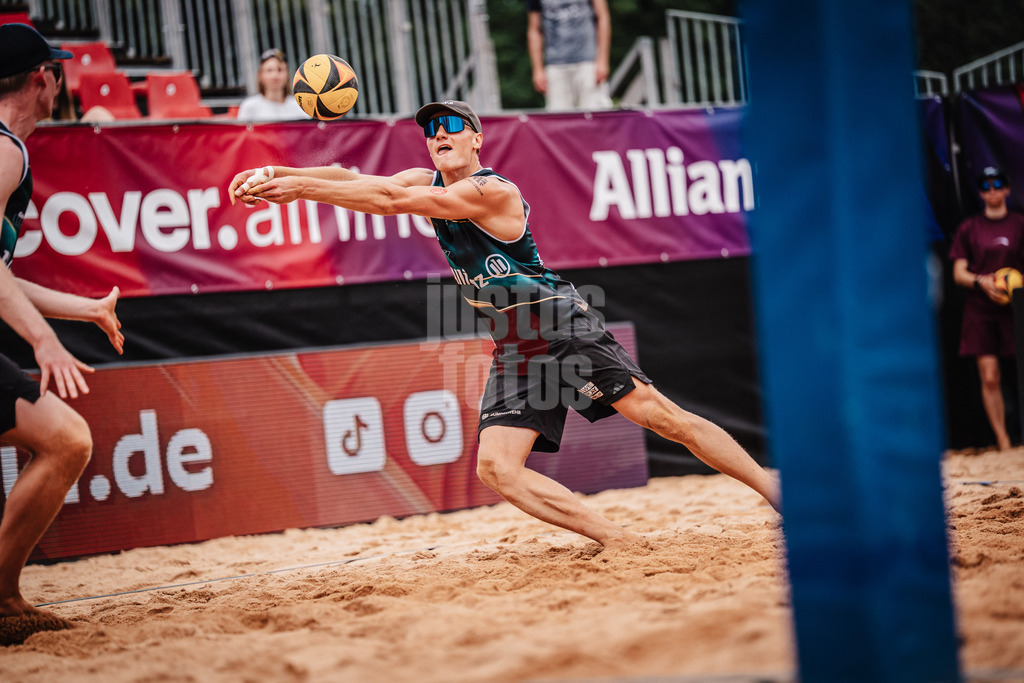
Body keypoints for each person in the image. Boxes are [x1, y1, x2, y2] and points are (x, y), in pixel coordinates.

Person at [227, 100, 779, 551]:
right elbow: (352, 177)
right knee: (497, 467)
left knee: (663, 419)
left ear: (476, 140)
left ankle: (772, 488)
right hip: (516, 344)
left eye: (451, 127)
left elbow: (391, 199)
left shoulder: (491, 190)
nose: (438, 135)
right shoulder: (431, 179)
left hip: (559, 324)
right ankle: (619, 540)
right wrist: (277, 173)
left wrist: (300, 191)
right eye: (430, 130)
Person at [0, 23, 125, 644]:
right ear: (41, 78)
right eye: (57, 72)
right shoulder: (5, 150)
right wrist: (44, 342)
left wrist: (84, 311)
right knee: (67, 441)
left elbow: (2, 275)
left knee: (62, 441)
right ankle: (1, 598)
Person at [950, 166, 1024, 451]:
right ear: (980, 193)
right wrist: (983, 282)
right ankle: (1003, 441)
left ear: (1007, 189)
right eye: (985, 187)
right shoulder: (969, 228)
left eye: (997, 185)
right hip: (980, 309)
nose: (992, 191)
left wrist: (1014, 284)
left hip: (1015, 309)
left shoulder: (1019, 224)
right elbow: (958, 273)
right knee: (990, 377)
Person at [527, 0, 613, 111]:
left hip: (589, 62)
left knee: (596, 116)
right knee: (557, 119)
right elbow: (534, 29)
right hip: (555, 64)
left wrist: (603, 60)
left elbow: (603, 16)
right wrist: (537, 69)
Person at [236, 48, 306, 122]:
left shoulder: (299, 106)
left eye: (280, 70)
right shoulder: (249, 107)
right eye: (269, 70)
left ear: (287, 75)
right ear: (260, 75)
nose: (275, 75)